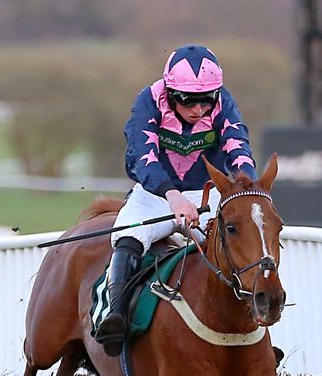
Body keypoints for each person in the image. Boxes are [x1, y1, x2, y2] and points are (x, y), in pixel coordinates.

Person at [94, 45, 257, 356]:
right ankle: (115, 315)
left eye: (207, 100)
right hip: (155, 193)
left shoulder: (224, 102)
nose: (199, 110)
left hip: (205, 194)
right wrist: (172, 197)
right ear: (169, 92)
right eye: (188, 100)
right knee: (126, 236)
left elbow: (238, 146)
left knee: (238, 244)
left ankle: (254, 325)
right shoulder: (148, 100)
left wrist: (245, 183)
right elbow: (142, 157)